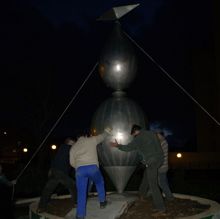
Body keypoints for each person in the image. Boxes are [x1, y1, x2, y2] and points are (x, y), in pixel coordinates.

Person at [111, 124, 166, 216]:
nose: (134, 137)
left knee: (153, 185)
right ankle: (142, 194)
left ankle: (161, 208)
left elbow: (128, 148)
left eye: (134, 135)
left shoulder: (139, 137)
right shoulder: (152, 133)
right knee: (146, 176)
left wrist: (117, 146)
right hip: (159, 159)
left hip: (152, 161)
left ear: (136, 132)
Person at [69, 128, 112, 219]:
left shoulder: (73, 147)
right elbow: (102, 136)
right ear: (85, 135)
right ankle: (102, 202)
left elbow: (72, 162)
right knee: (99, 183)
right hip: (92, 168)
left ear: (77, 138)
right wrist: (107, 131)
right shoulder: (91, 140)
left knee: (81, 192)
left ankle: (80, 215)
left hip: (79, 170)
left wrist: (79, 167)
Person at [37, 137, 77, 213]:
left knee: (48, 189)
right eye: (73, 143)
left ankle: (41, 207)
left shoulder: (60, 148)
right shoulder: (69, 148)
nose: (74, 144)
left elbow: (54, 159)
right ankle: (76, 203)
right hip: (61, 173)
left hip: (54, 172)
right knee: (73, 185)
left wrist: (51, 169)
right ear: (69, 142)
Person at [139, 131, 174, 201]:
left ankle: (169, 197)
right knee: (157, 182)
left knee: (162, 183)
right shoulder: (161, 143)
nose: (156, 137)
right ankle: (153, 194)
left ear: (162, 136)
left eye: (158, 136)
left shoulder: (163, 143)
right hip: (160, 167)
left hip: (161, 167)